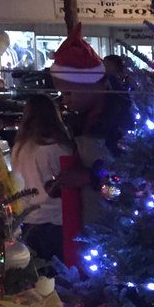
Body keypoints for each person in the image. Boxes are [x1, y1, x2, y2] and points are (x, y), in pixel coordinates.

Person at [49, 24, 109, 226]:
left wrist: (89, 177)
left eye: (68, 93)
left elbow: (136, 174)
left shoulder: (122, 119)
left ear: (88, 86)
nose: (64, 101)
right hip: (95, 228)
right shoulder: (84, 120)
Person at [10, 94, 75, 264]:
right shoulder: (57, 147)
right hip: (54, 219)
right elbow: (69, 180)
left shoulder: (19, 147)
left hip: (27, 218)